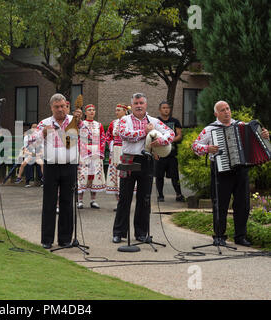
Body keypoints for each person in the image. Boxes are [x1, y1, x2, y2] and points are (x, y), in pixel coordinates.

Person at [191, 101, 269, 247]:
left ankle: (240, 236)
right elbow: (194, 146)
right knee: (220, 205)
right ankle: (219, 236)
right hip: (221, 171)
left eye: (228, 109)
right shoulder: (210, 129)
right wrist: (208, 148)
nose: (226, 112)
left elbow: (261, 141)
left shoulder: (243, 126)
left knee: (243, 205)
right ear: (216, 114)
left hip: (241, 170)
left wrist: (265, 135)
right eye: (222, 110)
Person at [112, 93, 174, 244]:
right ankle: (119, 232)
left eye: (141, 103)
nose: (138, 105)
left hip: (147, 160)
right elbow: (124, 135)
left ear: (146, 105)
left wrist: (160, 140)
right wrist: (144, 133)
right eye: (136, 103)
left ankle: (141, 233)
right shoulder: (124, 120)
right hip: (129, 158)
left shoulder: (153, 121)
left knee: (144, 199)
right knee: (124, 197)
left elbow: (171, 133)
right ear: (131, 105)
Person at [33, 93, 86, 249]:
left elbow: (85, 136)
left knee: (67, 202)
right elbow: (32, 141)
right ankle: (47, 240)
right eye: (57, 107)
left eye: (63, 106)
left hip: (69, 165)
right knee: (49, 202)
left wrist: (80, 122)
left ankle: (65, 239)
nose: (60, 109)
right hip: (51, 165)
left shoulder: (74, 121)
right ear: (51, 108)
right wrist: (42, 134)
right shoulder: (45, 123)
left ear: (67, 106)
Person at [77, 104, 106, 209]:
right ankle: (80, 200)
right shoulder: (81, 124)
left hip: (96, 154)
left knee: (94, 176)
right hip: (84, 154)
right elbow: (78, 138)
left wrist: (99, 151)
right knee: (83, 176)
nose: (92, 112)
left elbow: (103, 138)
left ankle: (93, 200)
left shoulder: (99, 125)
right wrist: (85, 149)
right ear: (85, 112)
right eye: (89, 110)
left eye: (93, 110)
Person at [155, 101, 185, 202]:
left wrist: (168, 140)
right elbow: (152, 137)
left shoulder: (175, 121)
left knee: (175, 175)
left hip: (172, 153)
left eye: (167, 108)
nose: (166, 109)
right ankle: (160, 195)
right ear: (160, 110)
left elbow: (179, 135)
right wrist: (154, 152)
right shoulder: (156, 121)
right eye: (163, 108)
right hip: (160, 153)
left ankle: (179, 194)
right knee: (159, 176)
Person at [105, 104, 130, 205]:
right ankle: (118, 202)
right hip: (115, 150)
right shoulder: (114, 123)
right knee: (116, 173)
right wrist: (111, 145)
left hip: (125, 150)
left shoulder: (129, 121)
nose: (116, 112)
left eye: (118, 110)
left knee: (124, 173)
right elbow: (108, 136)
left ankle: (125, 200)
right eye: (116, 110)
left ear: (125, 111)